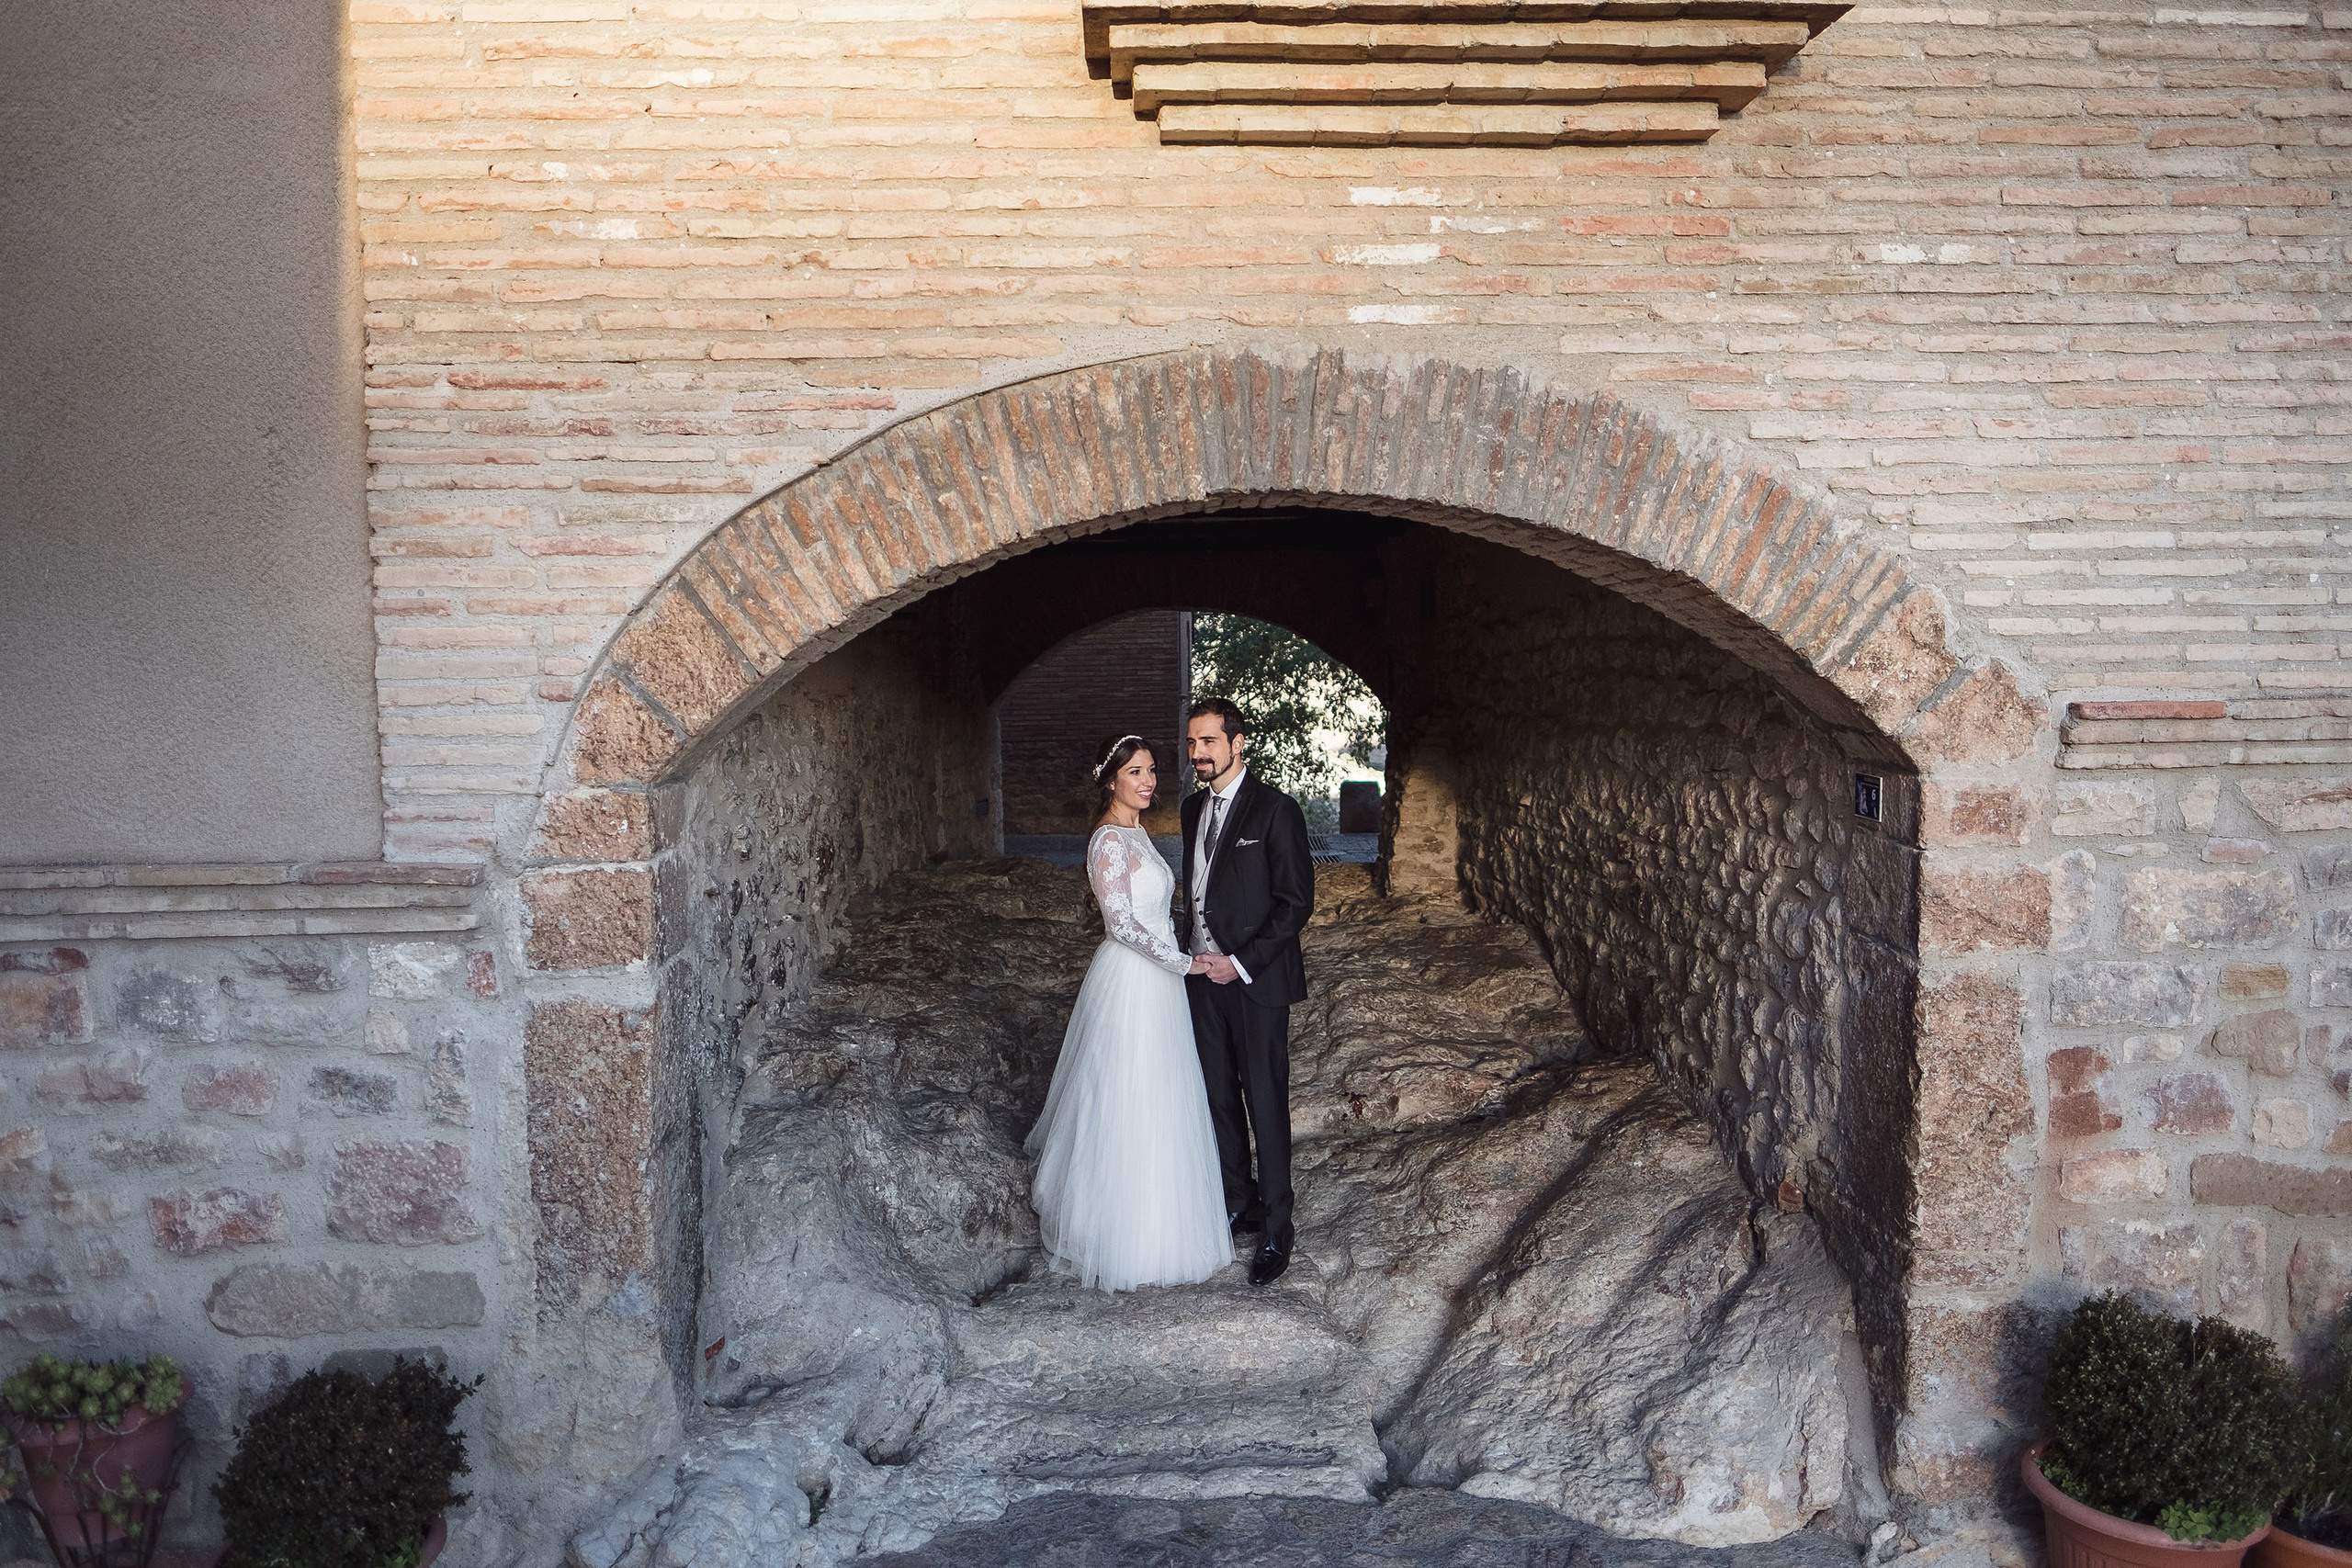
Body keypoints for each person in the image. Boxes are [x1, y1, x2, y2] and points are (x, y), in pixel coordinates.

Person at [1025, 735, 1232, 1292]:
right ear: (1111, 779)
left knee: (1162, 1094)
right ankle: (1117, 1234)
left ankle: (1167, 1226)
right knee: (1124, 1095)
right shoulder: (1108, 842)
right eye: (1136, 772)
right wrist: (1186, 963)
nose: (1148, 782)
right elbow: (1120, 924)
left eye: (1152, 772)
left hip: (1159, 982)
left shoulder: (1138, 833)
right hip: (1133, 980)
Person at [1179, 698, 1314, 1288]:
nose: (1197, 754)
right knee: (1217, 1096)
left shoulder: (1277, 811)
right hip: (1201, 979)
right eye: (1191, 743)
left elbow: (1294, 905)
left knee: (1264, 1098)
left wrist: (1240, 962)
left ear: (1239, 743)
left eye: (1208, 742)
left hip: (1256, 981)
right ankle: (1241, 1202)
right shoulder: (1190, 810)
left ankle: (1278, 1226)